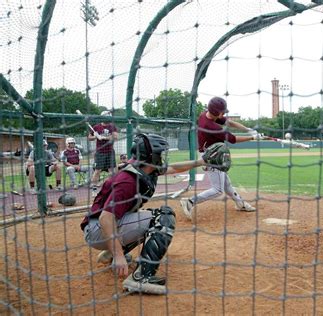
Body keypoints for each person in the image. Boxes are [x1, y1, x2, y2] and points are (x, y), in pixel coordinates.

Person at [80, 133, 205, 294]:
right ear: (150, 156)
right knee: (163, 218)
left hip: (103, 226)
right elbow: (106, 218)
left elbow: (175, 168)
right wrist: (119, 256)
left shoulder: (142, 168)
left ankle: (109, 255)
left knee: (153, 218)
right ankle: (140, 278)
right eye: (160, 153)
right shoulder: (128, 180)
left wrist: (201, 162)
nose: (162, 157)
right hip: (98, 229)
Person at [180, 96, 263, 221]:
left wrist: (249, 130)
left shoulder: (204, 115)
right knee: (218, 190)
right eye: (222, 112)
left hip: (213, 153)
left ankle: (240, 204)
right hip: (212, 157)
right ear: (217, 112)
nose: (223, 114)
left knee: (226, 184)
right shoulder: (213, 127)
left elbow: (230, 122)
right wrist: (253, 138)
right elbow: (233, 139)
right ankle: (190, 202)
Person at [88, 110, 119, 194]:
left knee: (112, 171)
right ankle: (94, 190)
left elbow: (115, 137)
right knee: (97, 170)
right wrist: (95, 136)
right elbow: (89, 137)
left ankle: (111, 188)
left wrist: (104, 137)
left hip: (110, 151)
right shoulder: (96, 127)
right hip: (100, 152)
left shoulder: (112, 126)